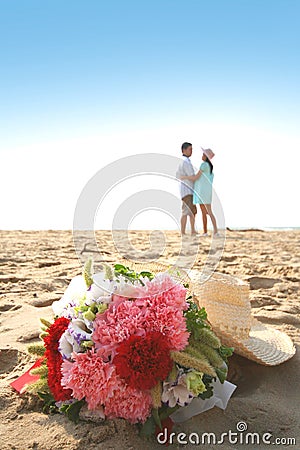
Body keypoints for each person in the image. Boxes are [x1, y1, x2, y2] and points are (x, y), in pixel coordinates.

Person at [180, 148, 218, 236]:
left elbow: (195, 178)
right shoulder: (210, 167)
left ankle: (205, 232)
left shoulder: (203, 165)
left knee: (204, 212)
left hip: (201, 192)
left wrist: (184, 177)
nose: (202, 155)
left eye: (203, 154)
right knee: (209, 212)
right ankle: (215, 231)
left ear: (206, 156)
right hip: (208, 193)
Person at [176, 142, 197, 235]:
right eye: (190, 149)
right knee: (186, 211)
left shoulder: (183, 161)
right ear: (184, 150)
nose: (191, 151)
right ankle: (183, 232)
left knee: (192, 211)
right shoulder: (185, 161)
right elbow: (192, 176)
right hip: (187, 190)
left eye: (192, 149)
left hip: (187, 189)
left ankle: (192, 230)